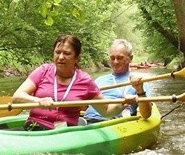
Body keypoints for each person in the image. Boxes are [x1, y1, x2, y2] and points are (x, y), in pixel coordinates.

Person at [11, 34, 147, 130]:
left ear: (77, 58)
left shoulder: (85, 81)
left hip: (66, 132)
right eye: (57, 52)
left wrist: (123, 103)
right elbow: (17, 97)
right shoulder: (43, 71)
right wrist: (37, 101)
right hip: (34, 127)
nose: (60, 57)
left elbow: (106, 111)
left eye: (67, 53)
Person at [83, 39, 152, 123]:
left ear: (130, 58)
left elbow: (146, 114)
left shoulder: (139, 82)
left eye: (120, 58)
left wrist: (140, 91)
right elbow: (84, 106)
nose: (115, 62)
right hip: (86, 121)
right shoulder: (99, 80)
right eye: (112, 58)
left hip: (113, 124)